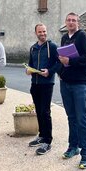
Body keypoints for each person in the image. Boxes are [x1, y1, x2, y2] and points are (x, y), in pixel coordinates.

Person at [58, 12, 86, 169]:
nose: (71, 22)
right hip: (65, 83)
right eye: (69, 20)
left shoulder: (83, 37)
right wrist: (60, 71)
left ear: (78, 22)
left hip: (79, 84)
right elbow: (61, 58)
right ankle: (73, 147)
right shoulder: (65, 37)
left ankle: (85, 153)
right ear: (65, 22)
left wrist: (70, 60)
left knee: (81, 118)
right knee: (71, 117)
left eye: (74, 20)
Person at [26, 23, 59, 155]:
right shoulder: (33, 48)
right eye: (40, 32)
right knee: (39, 111)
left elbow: (59, 63)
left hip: (47, 84)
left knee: (45, 112)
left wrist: (49, 72)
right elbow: (30, 64)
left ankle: (47, 141)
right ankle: (41, 135)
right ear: (36, 33)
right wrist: (28, 70)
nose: (43, 34)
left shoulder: (52, 46)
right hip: (35, 84)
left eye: (44, 31)